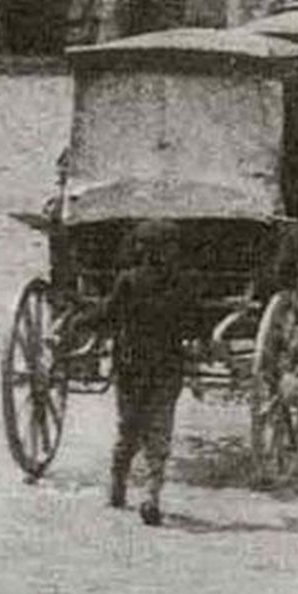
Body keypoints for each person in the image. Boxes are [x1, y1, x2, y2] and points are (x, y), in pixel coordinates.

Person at [83, 220, 200, 526]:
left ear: (141, 249)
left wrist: (79, 320)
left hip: (131, 365)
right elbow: (194, 324)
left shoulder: (128, 280)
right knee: (160, 432)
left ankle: (117, 487)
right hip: (166, 367)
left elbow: (107, 314)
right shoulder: (185, 284)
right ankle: (152, 496)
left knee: (128, 428)